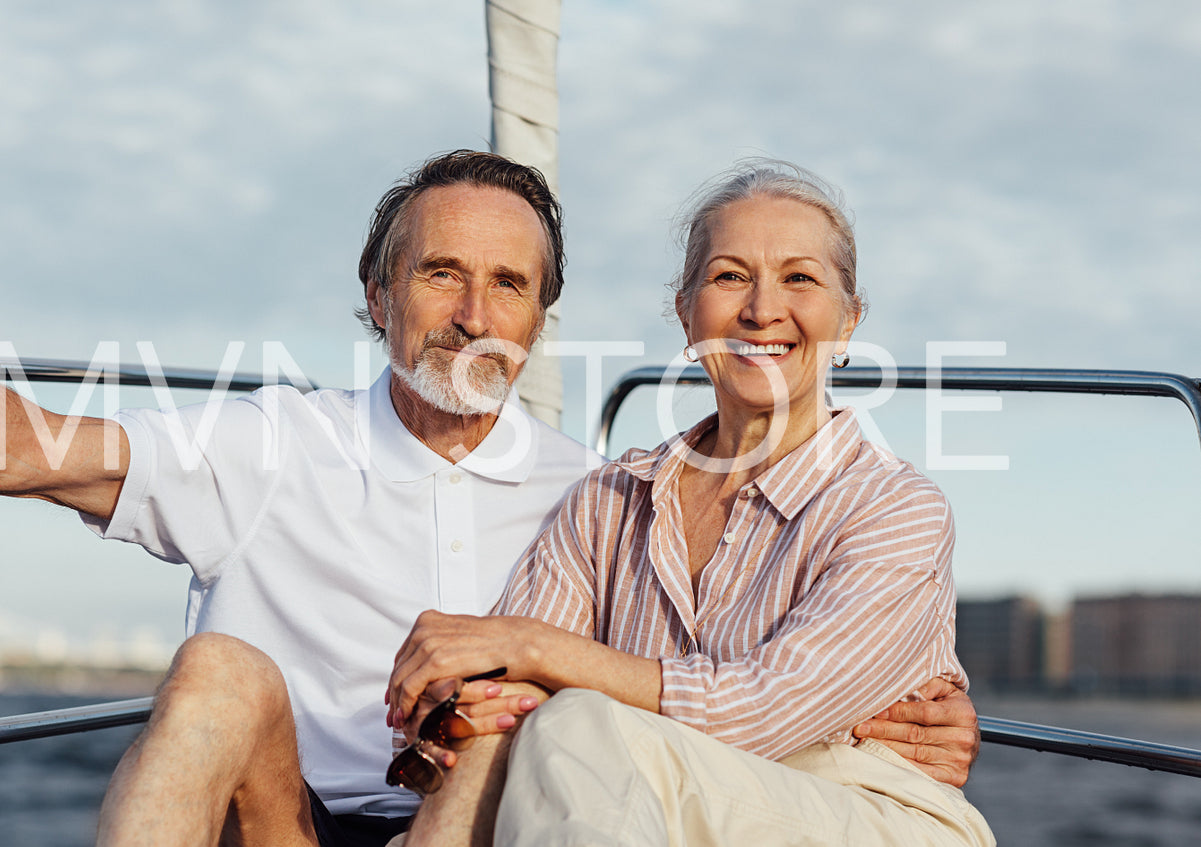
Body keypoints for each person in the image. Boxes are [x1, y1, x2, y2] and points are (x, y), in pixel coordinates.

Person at [0, 151, 978, 847]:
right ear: (375, 296)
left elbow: (688, 680)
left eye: (507, 284)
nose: (473, 312)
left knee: (506, 741)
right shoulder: (276, 444)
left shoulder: (580, 488)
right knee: (216, 668)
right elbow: (47, 446)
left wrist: (877, 723)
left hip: (476, 825)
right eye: (438, 273)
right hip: (288, 823)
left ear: (542, 320)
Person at [387, 160, 996, 846]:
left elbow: (760, 713)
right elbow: (492, 694)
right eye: (729, 276)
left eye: (799, 277)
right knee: (545, 729)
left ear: (848, 320)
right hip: (646, 800)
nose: (762, 308)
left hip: (860, 809)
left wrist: (535, 647)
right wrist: (501, 678)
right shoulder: (608, 501)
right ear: (686, 313)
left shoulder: (894, 508)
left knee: (575, 722)